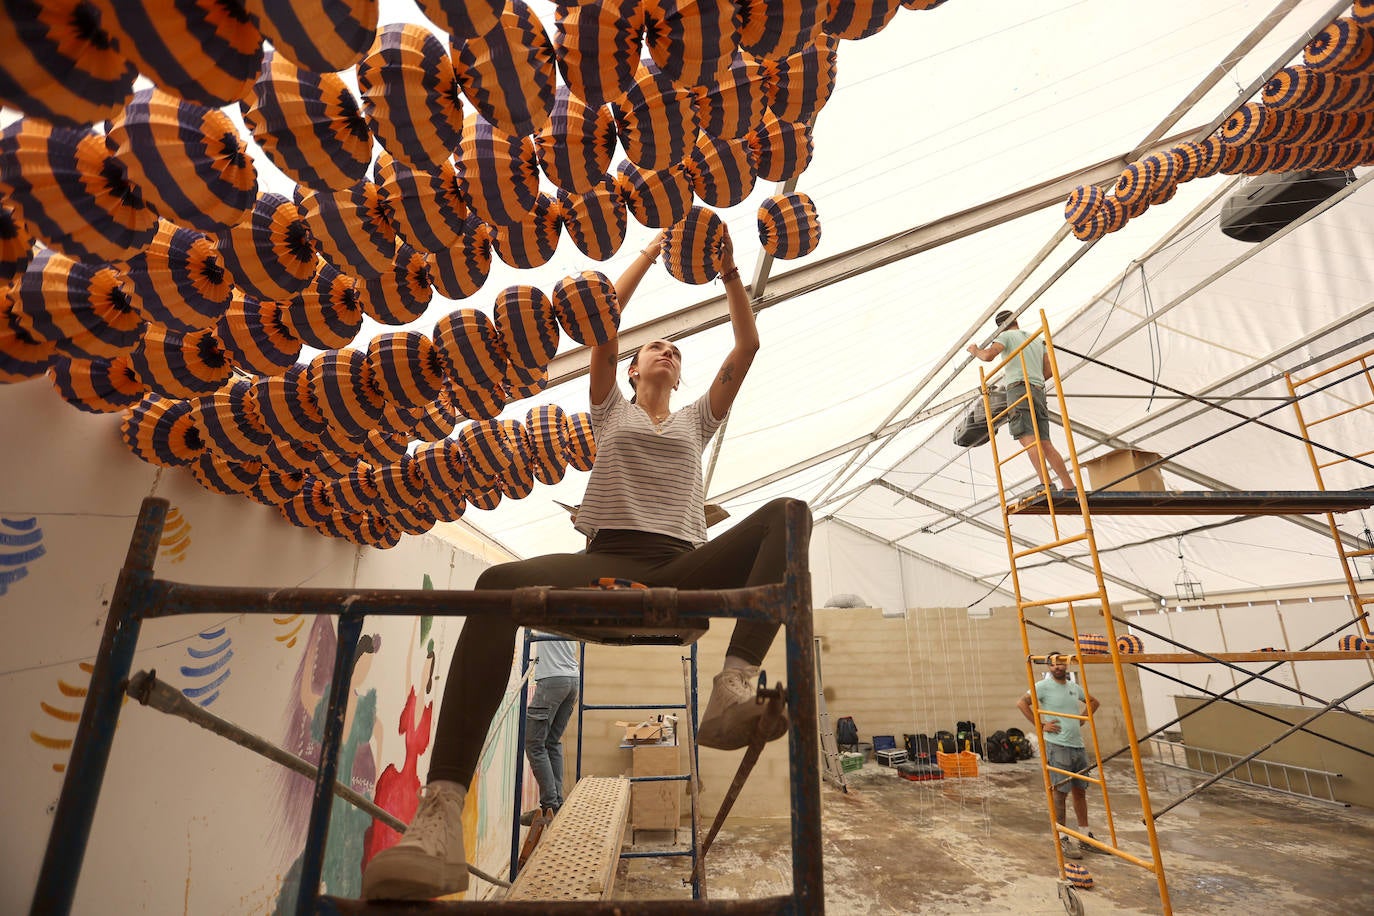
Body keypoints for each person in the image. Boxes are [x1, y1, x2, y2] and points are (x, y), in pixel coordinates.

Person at [362, 226, 811, 901]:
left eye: (676, 351)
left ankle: (733, 686)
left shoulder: (695, 422)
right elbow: (604, 321)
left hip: (680, 568)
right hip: (606, 560)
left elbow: (745, 348)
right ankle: (439, 816)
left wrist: (728, 275)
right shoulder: (609, 412)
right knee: (495, 586)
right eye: (655, 347)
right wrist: (650, 252)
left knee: (788, 513)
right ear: (629, 369)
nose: (668, 351)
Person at [966, 310, 1073, 491]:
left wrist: (975, 350)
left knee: (1028, 439)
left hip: (1018, 390)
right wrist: (1032, 379)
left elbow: (988, 356)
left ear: (1000, 327)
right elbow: (1049, 371)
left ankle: (1046, 484)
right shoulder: (1036, 339)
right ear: (1016, 320)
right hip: (1038, 390)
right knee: (1045, 442)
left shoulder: (1005, 336)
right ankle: (1069, 485)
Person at [1016, 654, 1100, 859]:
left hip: (1078, 745)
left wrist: (1082, 718)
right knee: (1060, 793)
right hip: (1058, 746)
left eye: (1061, 663)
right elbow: (1022, 703)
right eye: (1053, 664)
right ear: (1048, 667)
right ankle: (1062, 838)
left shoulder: (1073, 687)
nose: (1057, 667)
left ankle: (1084, 836)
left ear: (1066, 665)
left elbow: (1094, 702)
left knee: (1080, 791)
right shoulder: (1043, 686)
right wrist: (1041, 725)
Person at [519, 634, 579, 825]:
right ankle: (556, 803)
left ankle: (549, 806)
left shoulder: (546, 616)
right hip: (572, 680)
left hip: (552, 681)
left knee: (534, 744)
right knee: (551, 743)